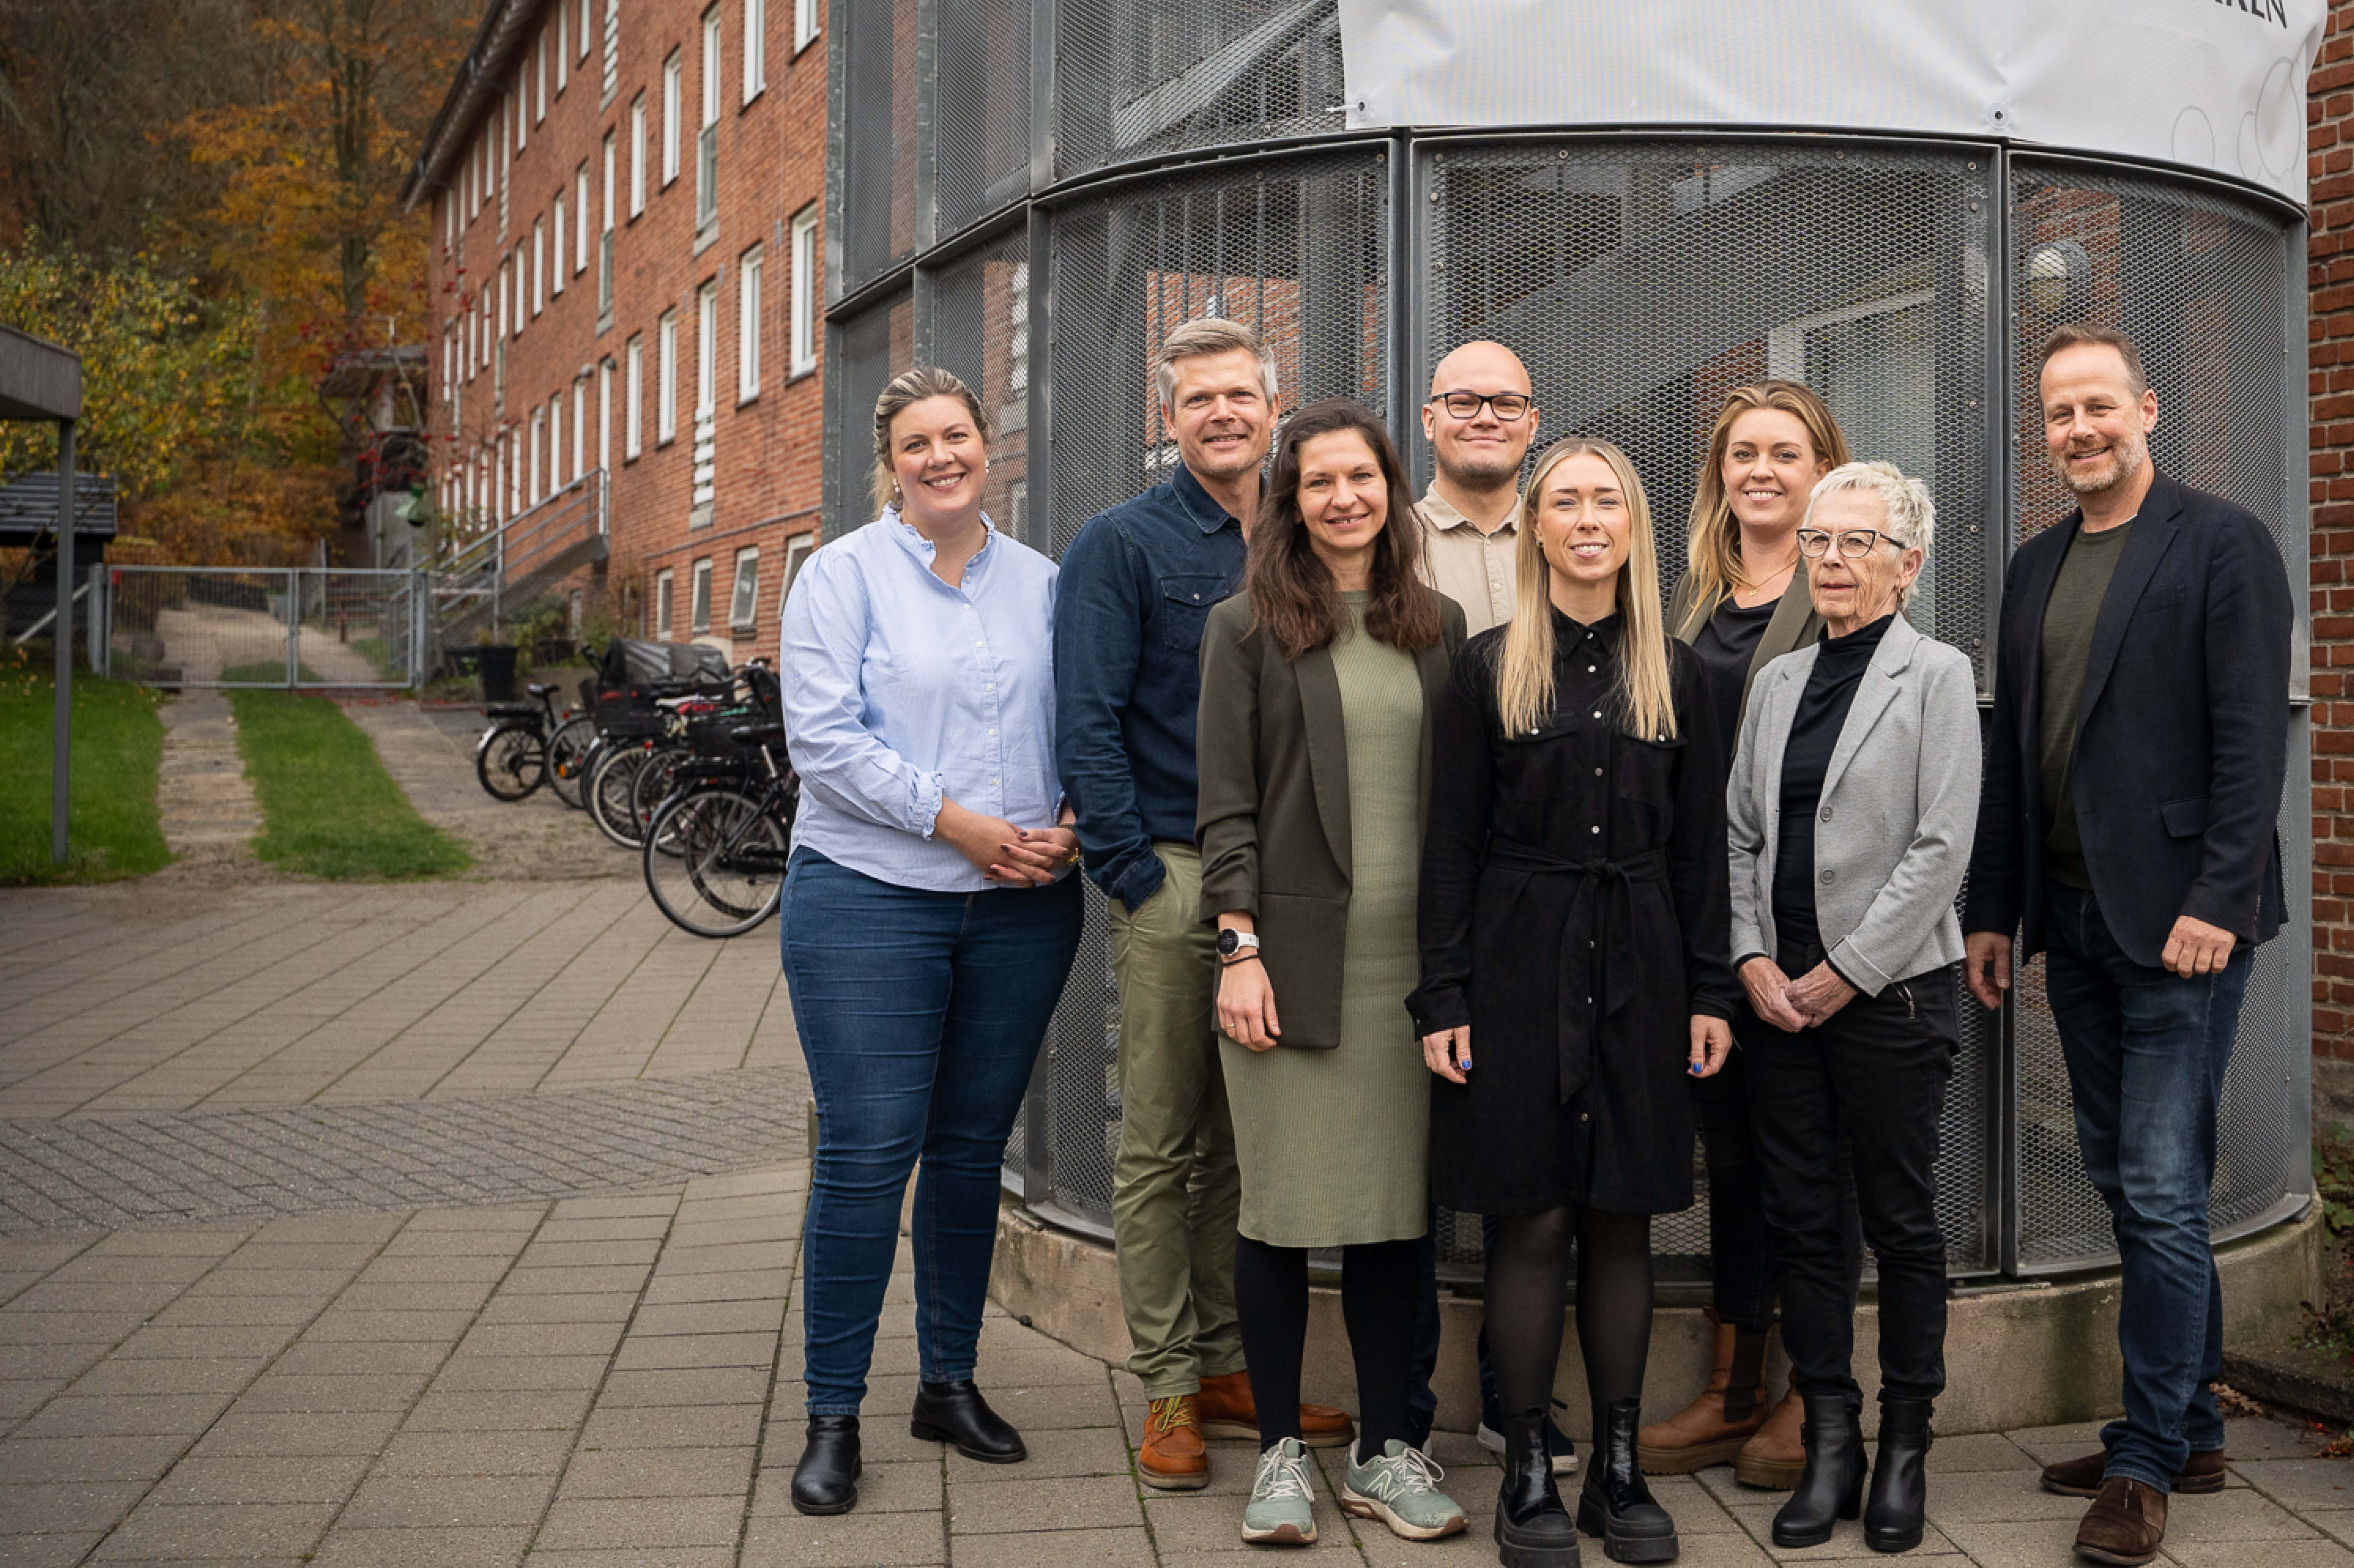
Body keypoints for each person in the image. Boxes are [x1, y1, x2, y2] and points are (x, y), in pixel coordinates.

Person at [1964, 325, 2293, 1567]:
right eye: (2059, 413)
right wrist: (1994, 912)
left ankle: (2146, 1460)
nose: (2080, 429)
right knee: (2125, 1180)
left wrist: (2218, 899)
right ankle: (2190, 1424)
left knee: (2159, 1188)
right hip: (2073, 918)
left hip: (2183, 930)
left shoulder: (2221, 543)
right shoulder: (2034, 566)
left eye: (2099, 405)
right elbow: (2014, 752)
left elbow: (2252, 741)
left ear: (2147, 409)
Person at [1415, 437, 1739, 1568]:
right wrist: (1443, 995)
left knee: (1619, 1218)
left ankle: (1618, 1468)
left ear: (1633, 525)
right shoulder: (1486, 668)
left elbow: (1703, 856)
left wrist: (1711, 991)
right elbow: (1449, 847)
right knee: (1535, 1216)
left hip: (1644, 967)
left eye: (1609, 501)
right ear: (1538, 528)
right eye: (1567, 502)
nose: (1589, 519)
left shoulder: (1681, 675)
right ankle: (1525, 1469)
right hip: (1518, 965)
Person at [777, 366, 1085, 1516]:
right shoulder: (840, 575)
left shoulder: (1045, 583)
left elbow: (1088, 720)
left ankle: (947, 1384)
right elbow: (824, 742)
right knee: (867, 1153)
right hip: (872, 897)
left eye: (958, 435)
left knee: (969, 1153)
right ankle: (833, 1415)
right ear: (891, 463)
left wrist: (1072, 823)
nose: (941, 456)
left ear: (987, 445)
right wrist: (960, 827)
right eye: (918, 443)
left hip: (1022, 908)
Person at [1055, 318, 1354, 1491]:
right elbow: (1086, 723)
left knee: (1245, 1140)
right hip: (1177, 872)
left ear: (1274, 406)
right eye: (1199, 400)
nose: (1223, 414)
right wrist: (1135, 876)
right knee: (1162, 1141)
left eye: (1241, 394)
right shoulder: (1121, 544)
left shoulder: (1307, 532)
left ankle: (1233, 1367)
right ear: (1167, 416)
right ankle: (1170, 1384)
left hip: (1290, 880)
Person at [1197, 398, 1470, 1548]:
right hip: (1290, 967)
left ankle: (1384, 1450)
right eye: (1320, 482)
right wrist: (1239, 949)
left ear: (1391, 491)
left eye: (1363, 478)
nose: (1345, 498)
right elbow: (1225, 805)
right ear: (1291, 502)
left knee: (1393, 1221)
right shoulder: (1245, 628)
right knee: (1278, 1214)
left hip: (1414, 975)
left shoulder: (1439, 625)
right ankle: (1276, 1455)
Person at [1724, 462, 1981, 1554]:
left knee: (1901, 1223)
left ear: (1906, 563)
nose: (1831, 560)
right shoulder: (1777, 681)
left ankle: (1906, 1445)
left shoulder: (1937, 675)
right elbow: (1739, 834)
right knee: (1801, 1221)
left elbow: (1942, 847)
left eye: (1857, 543)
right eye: (1819, 541)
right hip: (1778, 1000)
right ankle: (1831, 1439)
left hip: (1889, 999)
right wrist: (1750, 958)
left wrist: (1848, 970)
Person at [1647, 382, 1859, 1490]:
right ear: (1719, 475)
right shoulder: (1690, 604)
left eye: (1786, 453)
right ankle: (1733, 1389)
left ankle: (1811, 1397)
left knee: (1806, 1167)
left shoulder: (1845, 595)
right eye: (1743, 454)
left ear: (1825, 471)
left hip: (1805, 934)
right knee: (1731, 1159)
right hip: (1708, 927)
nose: (1762, 471)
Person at [1401, 338, 1577, 1477]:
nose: (1483, 417)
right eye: (1462, 400)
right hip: (1407, 878)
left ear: (1532, 419)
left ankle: (1518, 1399)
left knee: (1529, 1155)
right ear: (1428, 418)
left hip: (1532, 899)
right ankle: (1404, 1402)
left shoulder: (1567, 532)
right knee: (1408, 1160)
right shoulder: (1386, 542)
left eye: (1505, 402)